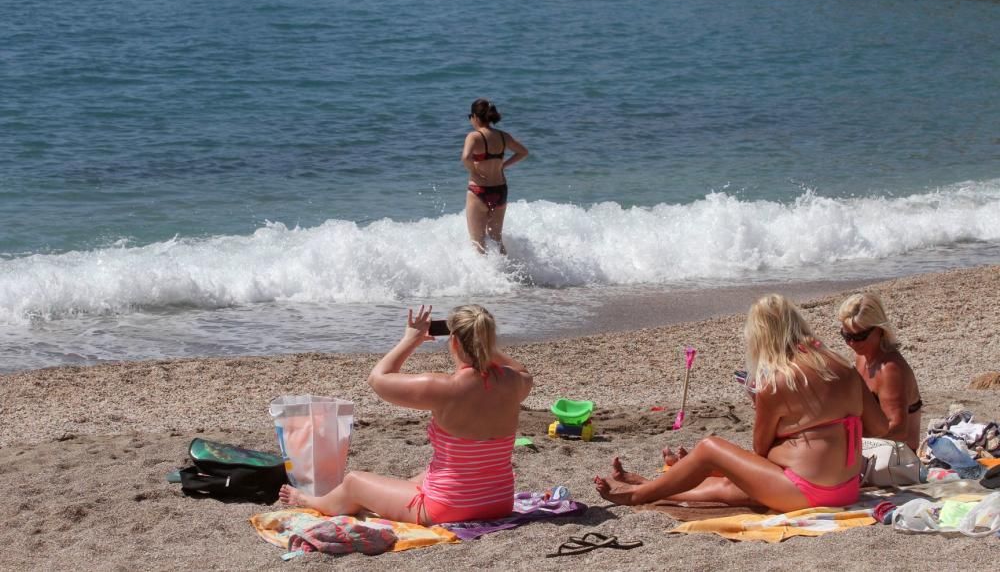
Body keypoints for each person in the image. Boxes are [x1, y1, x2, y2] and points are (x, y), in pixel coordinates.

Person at [594, 294, 888, 512]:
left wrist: (760, 403)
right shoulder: (846, 368)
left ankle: (636, 496)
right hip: (846, 489)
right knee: (730, 486)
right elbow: (879, 427)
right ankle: (648, 486)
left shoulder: (778, 381)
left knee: (711, 448)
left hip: (808, 491)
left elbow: (760, 449)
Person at [278, 304, 532, 525]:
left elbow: (378, 379)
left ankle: (310, 501)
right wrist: (486, 347)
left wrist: (411, 338)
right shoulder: (512, 383)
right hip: (499, 502)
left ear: (453, 342)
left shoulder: (443, 387)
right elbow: (522, 372)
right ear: (487, 340)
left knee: (354, 481)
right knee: (426, 474)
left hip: (446, 508)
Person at [837, 292, 922, 451]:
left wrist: (851, 442)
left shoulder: (889, 369)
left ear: (880, 330)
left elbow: (898, 429)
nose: (852, 343)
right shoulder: (863, 357)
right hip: (877, 447)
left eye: (860, 336)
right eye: (846, 336)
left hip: (897, 457)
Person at [462, 98, 528, 254]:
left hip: (479, 191)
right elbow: (523, 152)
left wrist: (474, 171)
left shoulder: (474, 136)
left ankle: (486, 278)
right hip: (500, 190)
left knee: (478, 243)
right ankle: (507, 275)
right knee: (496, 239)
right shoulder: (503, 136)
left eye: (470, 116)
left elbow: (465, 157)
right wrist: (503, 165)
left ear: (475, 117)